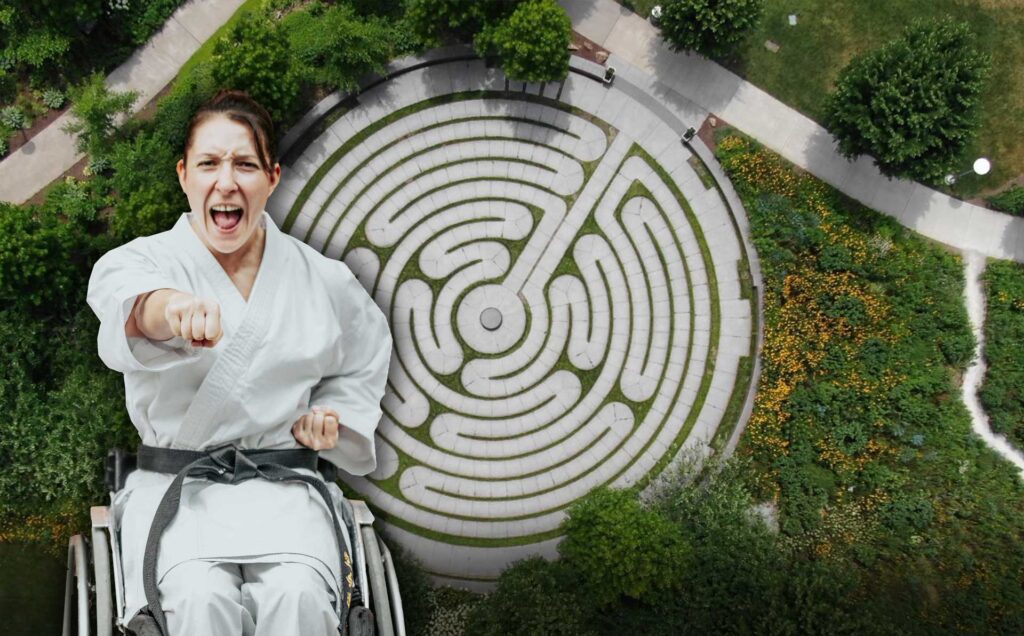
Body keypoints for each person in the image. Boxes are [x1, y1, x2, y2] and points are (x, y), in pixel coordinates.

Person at [87, 89, 392, 636]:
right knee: (197, 600)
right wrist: (171, 311)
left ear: (272, 178)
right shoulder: (140, 261)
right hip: (178, 489)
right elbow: (133, 309)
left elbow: (363, 361)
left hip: (285, 487)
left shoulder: (325, 280)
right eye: (209, 163)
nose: (226, 181)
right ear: (184, 175)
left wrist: (331, 416)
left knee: (299, 595)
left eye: (245, 165)